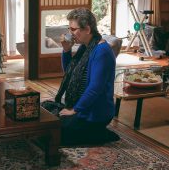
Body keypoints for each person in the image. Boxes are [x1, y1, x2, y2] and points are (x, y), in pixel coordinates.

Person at [47, 7, 120, 146]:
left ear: (87, 29)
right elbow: (69, 72)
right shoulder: (85, 47)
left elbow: (95, 89)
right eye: (69, 29)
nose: (70, 33)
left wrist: (74, 110)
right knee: (46, 117)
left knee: (52, 136)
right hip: (81, 107)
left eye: (73, 29)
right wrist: (66, 51)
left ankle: (99, 134)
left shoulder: (102, 51)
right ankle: (90, 133)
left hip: (94, 114)